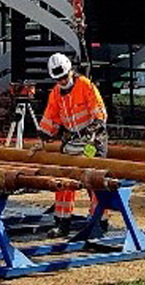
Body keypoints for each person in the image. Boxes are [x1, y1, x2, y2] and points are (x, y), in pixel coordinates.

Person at [36, 52, 107, 237]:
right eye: (58, 79)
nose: (62, 81)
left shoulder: (85, 85)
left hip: (93, 140)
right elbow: (50, 118)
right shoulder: (56, 93)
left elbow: (99, 113)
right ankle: (62, 222)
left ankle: (98, 221)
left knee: (94, 180)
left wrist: (91, 130)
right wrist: (43, 136)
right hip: (72, 141)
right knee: (64, 179)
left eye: (64, 77)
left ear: (70, 71)